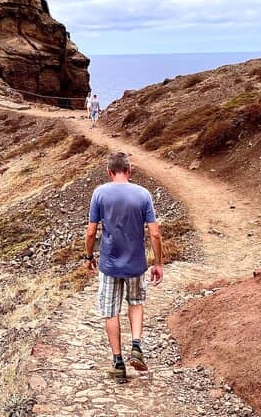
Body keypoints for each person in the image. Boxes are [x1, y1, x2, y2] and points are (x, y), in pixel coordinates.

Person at [85, 152, 163, 380]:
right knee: (136, 303)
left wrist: (89, 257)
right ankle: (136, 346)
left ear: (109, 172)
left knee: (110, 312)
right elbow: (155, 233)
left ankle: (118, 362)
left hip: (109, 263)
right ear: (129, 170)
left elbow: (91, 232)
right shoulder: (143, 194)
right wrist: (157, 263)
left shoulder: (99, 193)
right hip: (137, 263)